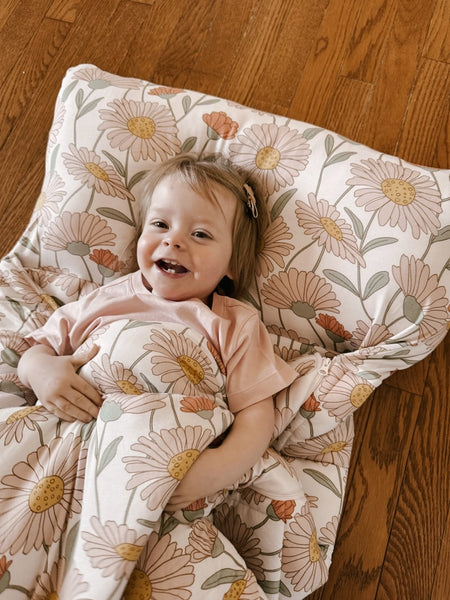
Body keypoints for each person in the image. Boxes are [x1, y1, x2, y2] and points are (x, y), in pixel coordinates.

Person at [17, 153, 298, 511]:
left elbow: (256, 416)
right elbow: (35, 350)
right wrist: (42, 372)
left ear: (232, 264)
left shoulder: (236, 324)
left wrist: (218, 469)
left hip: (160, 469)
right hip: (68, 450)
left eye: (200, 234)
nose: (174, 241)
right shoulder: (109, 297)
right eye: (160, 225)